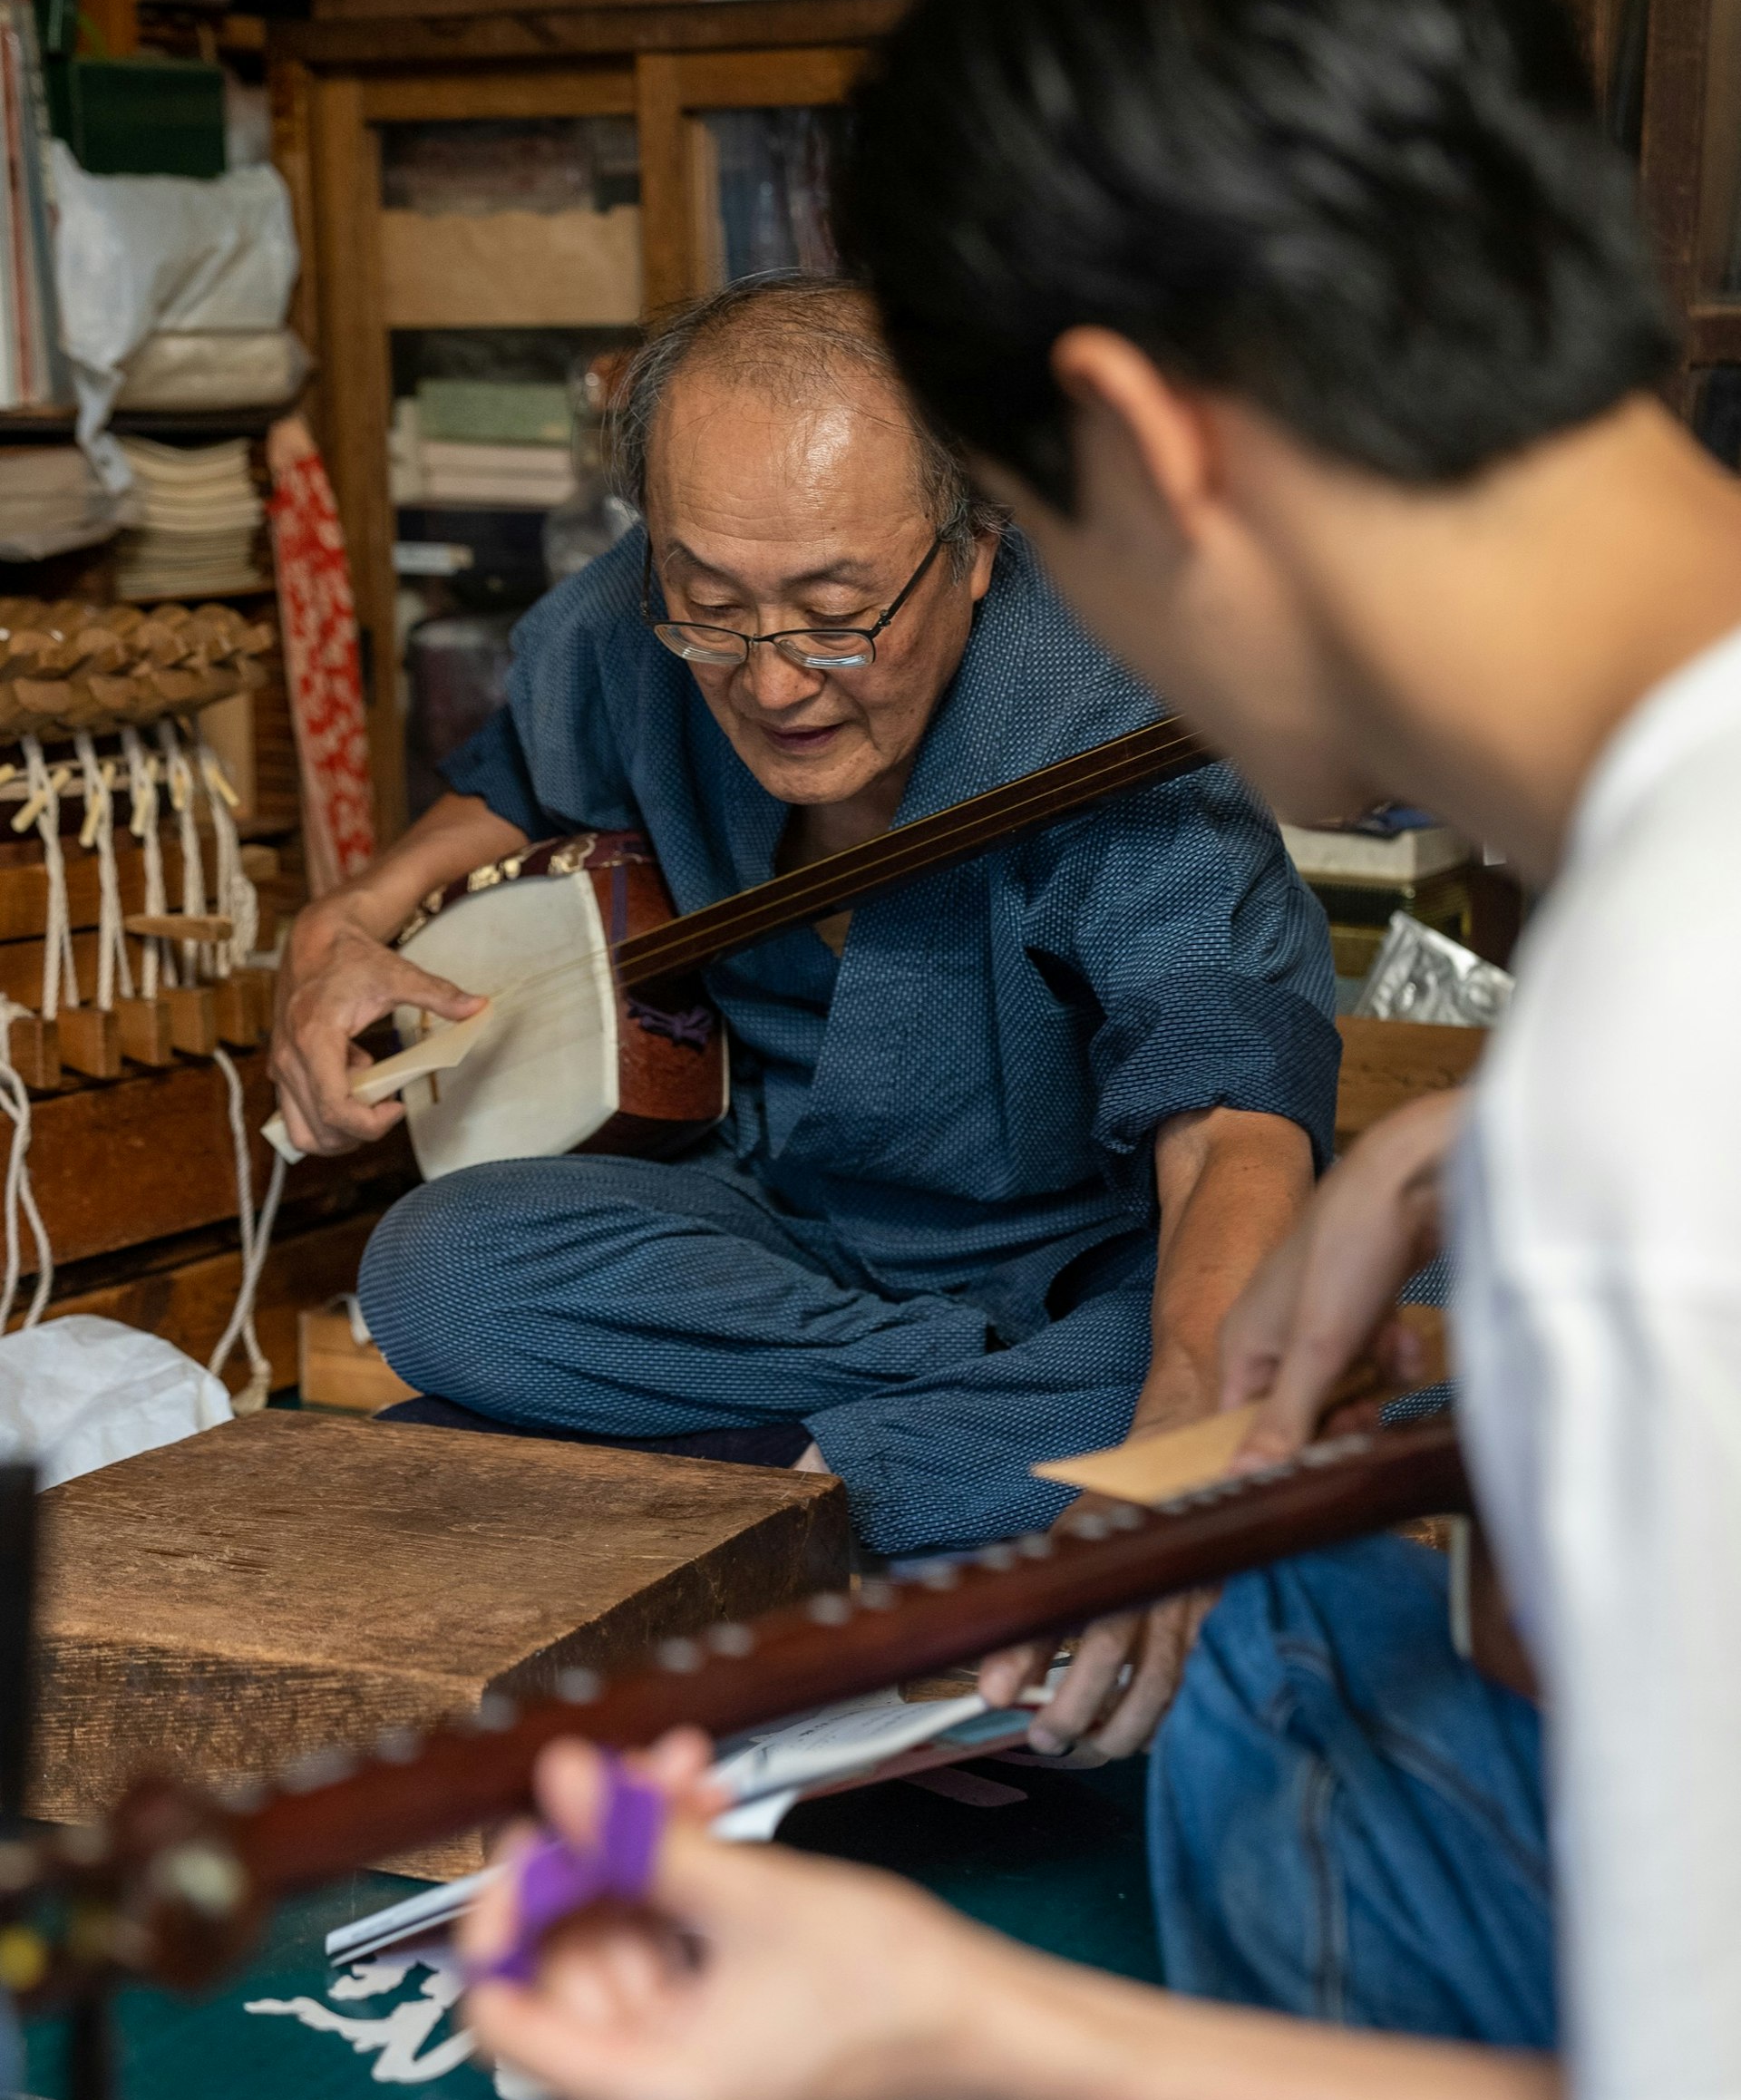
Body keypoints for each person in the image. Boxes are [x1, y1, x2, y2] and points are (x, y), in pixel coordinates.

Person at [297, 0, 1741, 2100]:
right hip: (898, 1286)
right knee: (1273, 1547)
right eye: (717, 603)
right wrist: (1471, 1149)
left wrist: (943, 2018)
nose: (789, 666)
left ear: (1138, 457)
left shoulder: (1662, 1084)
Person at [272, 276, 1337, 1755]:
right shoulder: (627, 626)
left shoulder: (1106, 705)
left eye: (837, 620)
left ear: (976, 547)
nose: (773, 682)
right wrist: (344, 924)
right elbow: (511, 778)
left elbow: (1232, 1127)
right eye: (714, 612)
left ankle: (791, 1475)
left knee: (1389, 1342)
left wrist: (1180, 1433)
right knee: (441, 1271)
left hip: (1095, 1277)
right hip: (787, 1252)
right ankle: (925, 1463)